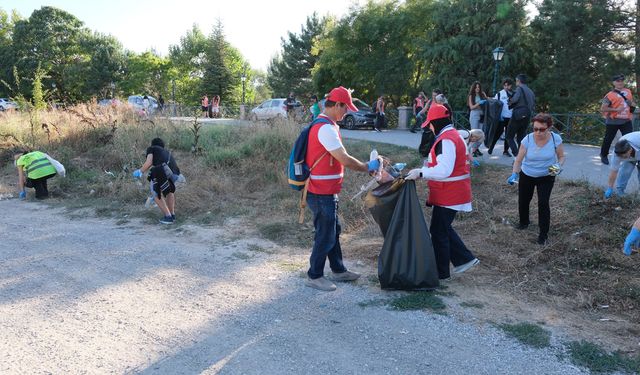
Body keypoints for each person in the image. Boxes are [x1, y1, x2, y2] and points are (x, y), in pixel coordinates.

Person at [304, 86, 381, 291]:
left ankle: (338, 270)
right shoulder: (325, 128)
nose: (346, 112)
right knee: (326, 233)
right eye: (345, 108)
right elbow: (344, 159)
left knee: (333, 230)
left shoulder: (327, 125)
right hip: (320, 192)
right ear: (336, 105)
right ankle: (314, 275)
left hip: (326, 190)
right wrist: (367, 167)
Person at [405, 104, 480, 281]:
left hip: (450, 194)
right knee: (442, 229)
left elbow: (445, 170)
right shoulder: (451, 135)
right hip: (451, 192)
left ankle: (442, 272)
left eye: (430, 123)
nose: (429, 127)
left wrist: (421, 172)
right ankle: (465, 259)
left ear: (436, 122)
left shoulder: (446, 140)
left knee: (439, 231)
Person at [507, 114, 565, 245]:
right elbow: (518, 160)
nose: (538, 132)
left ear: (549, 128)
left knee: (543, 203)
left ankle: (543, 234)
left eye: (542, 129)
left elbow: (561, 156)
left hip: (547, 176)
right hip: (527, 174)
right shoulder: (527, 140)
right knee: (523, 200)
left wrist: (558, 166)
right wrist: (514, 173)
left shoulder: (556, 139)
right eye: (535, 129)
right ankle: (523, 222)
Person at [132, 138, 182, 224]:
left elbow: (149, 162)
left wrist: (140, 171)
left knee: (155, 192)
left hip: (162, 171)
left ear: (153, 144)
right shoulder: (167, 152)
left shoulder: (152, 148)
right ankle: (172, 215)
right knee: (170, 192)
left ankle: (168, 217)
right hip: (175, 173)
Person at [599, 74, 636, 165]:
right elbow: (603, 108)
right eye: (618, 81)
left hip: (626, 120)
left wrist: (631, 104)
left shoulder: (628, 91)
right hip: (613, 121)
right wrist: (616, 109)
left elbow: (632, 103)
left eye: (622, 81)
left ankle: (630, 156)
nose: (620, 82)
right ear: (614, 83)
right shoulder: (610, 95)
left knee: (629, 139)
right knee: (608, 139)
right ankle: (603, 155)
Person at [506, 74, 536, 157]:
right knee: (521, 137)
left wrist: (510, 101)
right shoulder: (530, 91)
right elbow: (533, 104)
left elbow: (515, 99)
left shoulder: (519, 88)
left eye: (516, 80)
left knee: (509, 136)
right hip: (527, 116)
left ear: (519, 81)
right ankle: (521, 156)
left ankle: (516, 155)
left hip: (518, 115)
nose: (516, 82)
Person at [603, 132, 640, 198]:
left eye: (624, 156)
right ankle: (620, 191)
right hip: (631, 156)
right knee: (625, 171)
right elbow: (614, 171)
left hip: (638, 149)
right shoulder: (617, 153)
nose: (622, 158)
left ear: (630, 150)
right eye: (621, 157)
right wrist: (610, 188)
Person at [489, 78, 514, 157]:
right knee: (497, 134)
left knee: (508, 135)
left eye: (508, 85)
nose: (506, 87)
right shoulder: (499, 94)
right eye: (505, 85)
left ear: (511, 85)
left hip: (511, 117)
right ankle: (491, 147)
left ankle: (506, 151)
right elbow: (494, 104)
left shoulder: (514, 94)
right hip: (501, 117)